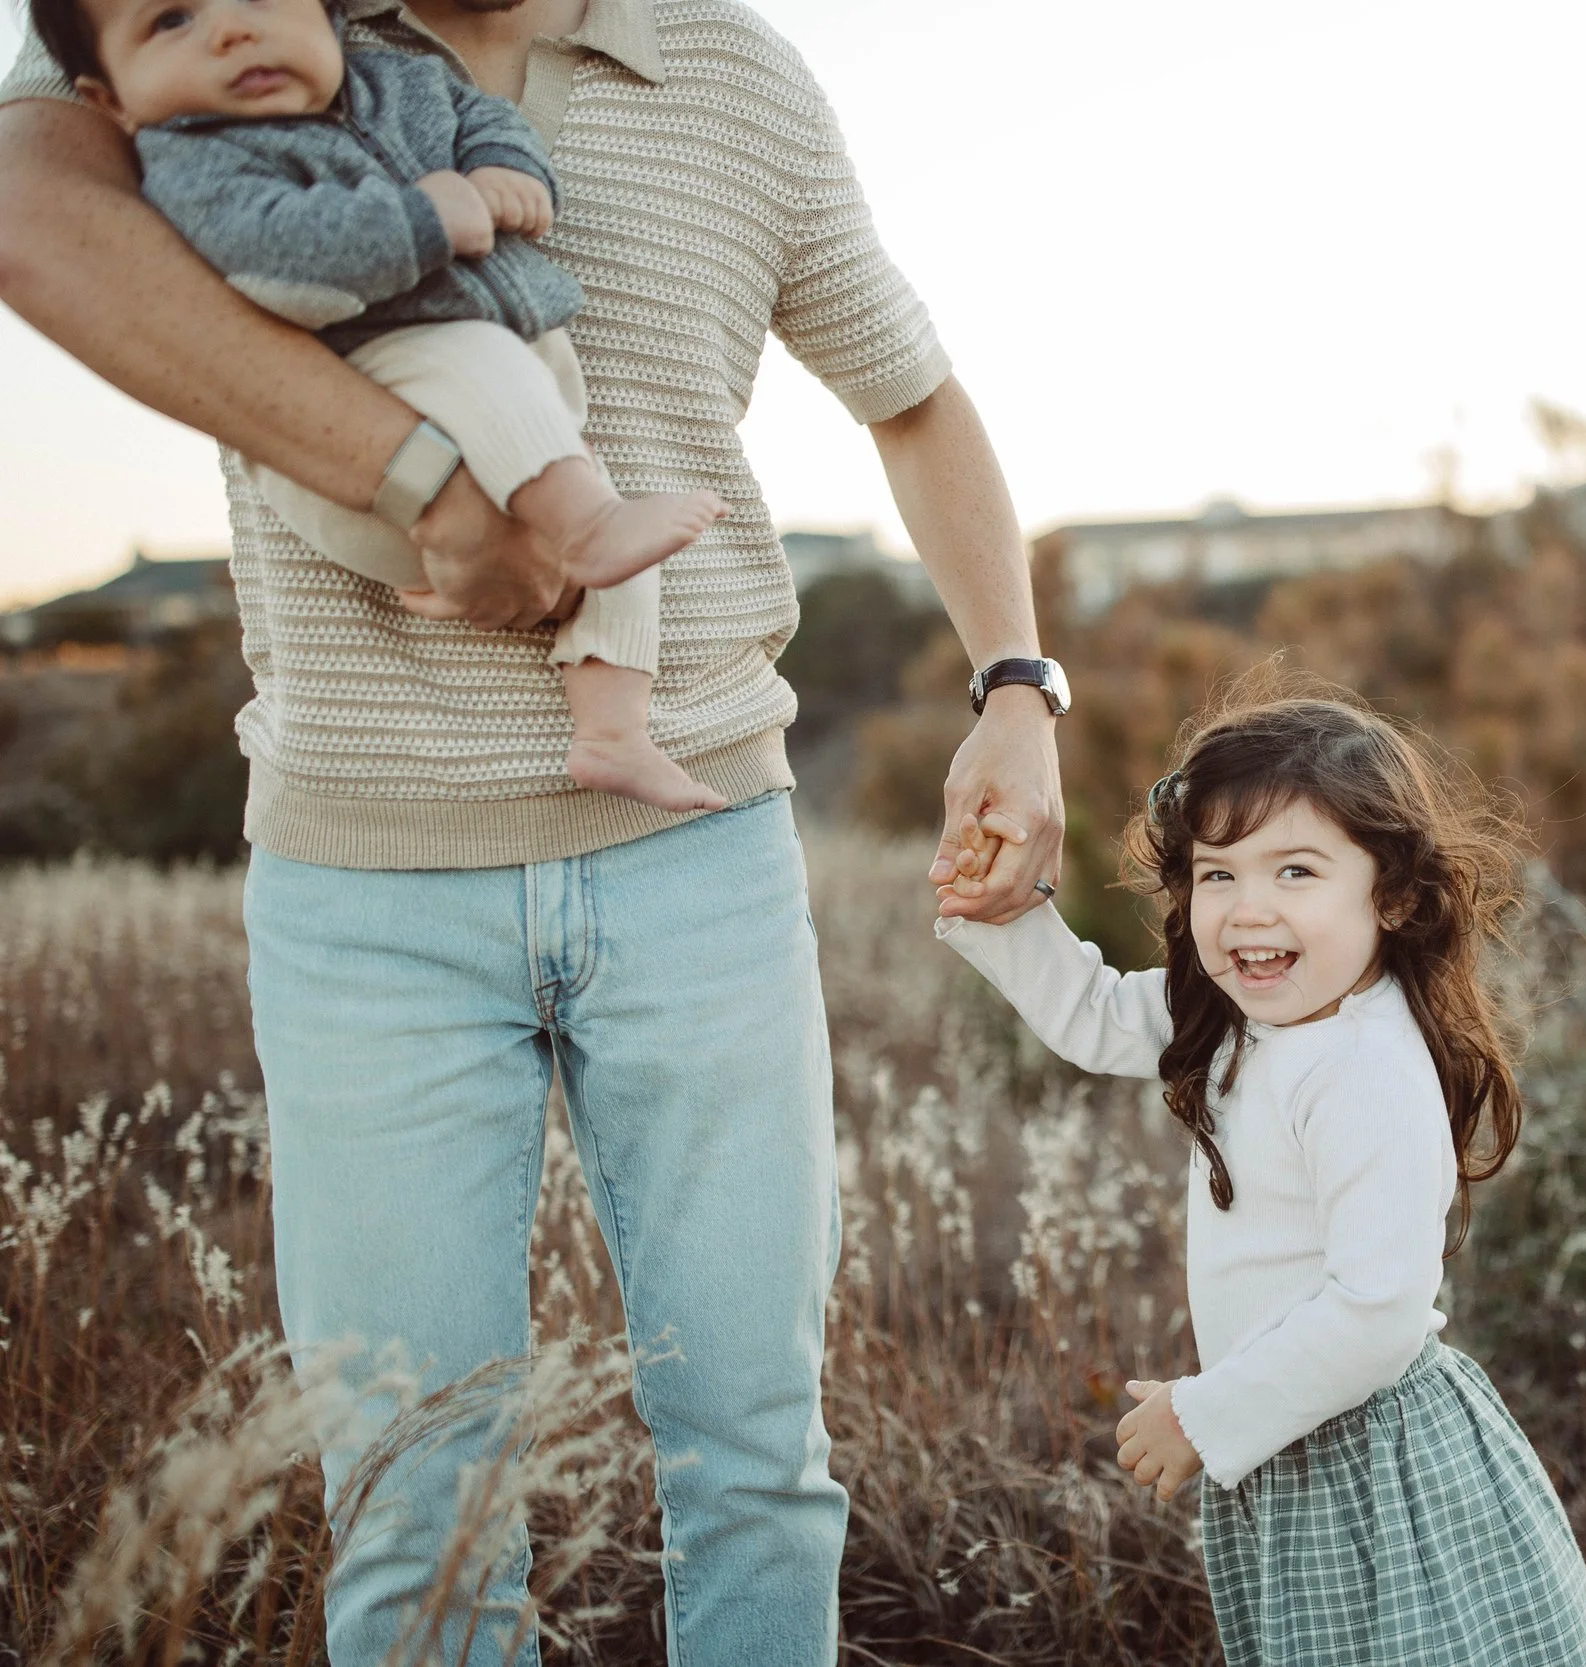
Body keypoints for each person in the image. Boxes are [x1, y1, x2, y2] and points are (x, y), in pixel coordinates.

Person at [0, 0, 1067, 1659]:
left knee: (759, 1464)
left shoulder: (735, 75)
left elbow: (914, 398)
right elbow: (22, 199)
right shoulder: (240, 29)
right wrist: (425, 472)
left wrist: (1015, 684)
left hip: (700, 850)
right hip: (365, 888)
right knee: (417, 1511)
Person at [934, 684, 1586, 1667]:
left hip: (1373, 1457)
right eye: (1217, 874)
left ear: (1389, 892)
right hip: (1295, 1434)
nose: (1247, 909)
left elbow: (1379, 1307)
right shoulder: (1241, 1012)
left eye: (1295, 869)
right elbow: (1092, 1013)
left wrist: (1207, 1410)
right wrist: (999, 909)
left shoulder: (1363, 1065)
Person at [31, 0, 731, 811]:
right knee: (538, 434)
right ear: (109, 98)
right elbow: (276, 262)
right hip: (368, 384)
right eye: (171, 21)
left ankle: (612, 731)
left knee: (625, 540)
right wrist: (425, 218)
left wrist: (510, 172)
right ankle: (587, 526)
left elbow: (483, 122)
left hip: (498, 400)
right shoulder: (194, 157)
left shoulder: (400, 80)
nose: (230, 28)